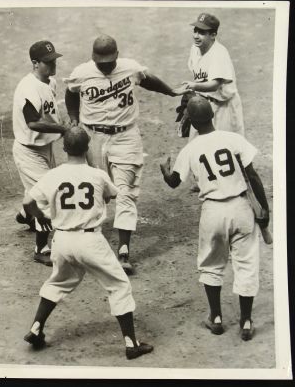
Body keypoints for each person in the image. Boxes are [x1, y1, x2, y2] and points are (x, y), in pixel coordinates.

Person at [22, 126, 153, 360]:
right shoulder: (97, 175)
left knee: (58, 282)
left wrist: (41, 216)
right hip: (89, 240)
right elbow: (111, 195)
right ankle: (131, 343)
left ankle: (36, 327)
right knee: (119, 285)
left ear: (64, 148)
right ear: (87, 147)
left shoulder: (52, 175)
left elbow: (28, 201)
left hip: (61, 240)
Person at [64, 34, 185, 274]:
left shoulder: (130, 68)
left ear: (117, 56)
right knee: (97, 191)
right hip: (93, 137)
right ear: (93, 58)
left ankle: (124, 251)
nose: (105, 66)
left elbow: (148, 80)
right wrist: (74, 119)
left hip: (126, 137)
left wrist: (170, 91)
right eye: (101, 62)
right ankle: (89, 245)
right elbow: (71, 92)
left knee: (126, 192)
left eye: (109, 61)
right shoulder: (82, 72)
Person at [160, 96, 269, 341]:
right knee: (246, 264)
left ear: (193, 122)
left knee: (211, 263)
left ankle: (216, 318)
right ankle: (247, 320)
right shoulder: (233, 139)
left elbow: (174, 181)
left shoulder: (190, 149)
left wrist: (165, 171)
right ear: (211, 115)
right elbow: (252, 176)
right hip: (241, 208)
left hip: (212, 211)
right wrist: (264, 212)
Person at [12, 40, 68, 266]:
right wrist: (62, 129)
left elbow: (49, 113)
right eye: (47, 62)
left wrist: (62, 126)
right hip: (29, 152)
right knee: (46, 196)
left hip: (45, 148)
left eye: (54, 59)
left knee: (39, 191)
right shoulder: (28, 88)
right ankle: (41, 248)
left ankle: (26, 215)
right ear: (35, 63)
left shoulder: (50, 82)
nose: (53, 64)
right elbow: (33, 123)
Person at [182, 13, 244, 137]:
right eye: (195, 31)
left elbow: (215, 85)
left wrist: (193, 86)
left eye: (202, 33)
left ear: (213, 35)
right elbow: (200, 78)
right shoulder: (195, 49)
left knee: (226, 146)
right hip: (204, 104)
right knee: (198, 146)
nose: (196, 36)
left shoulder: (219, 54)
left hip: (224, 107)